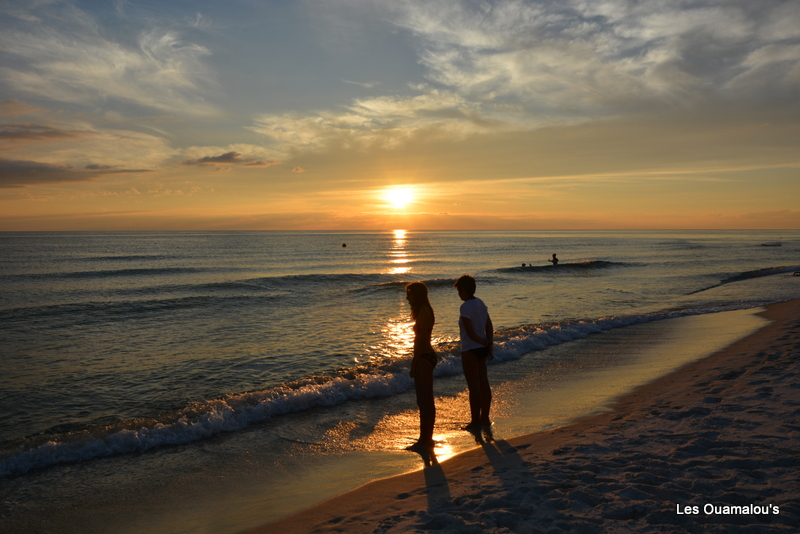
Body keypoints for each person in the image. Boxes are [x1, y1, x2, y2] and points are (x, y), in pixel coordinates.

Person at [454, 275, 494, 430]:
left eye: (459, 291)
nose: (459, 295)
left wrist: (484, 342)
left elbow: (469, 332)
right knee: (484, 383)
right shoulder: (481, 303)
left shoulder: (465, 307)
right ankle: (485, 418)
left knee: (474, 387)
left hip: (470, 349)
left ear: (464, 290)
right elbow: (489, 326)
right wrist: (488, 343)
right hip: (483, 349)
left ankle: (475, 421)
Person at [405, 282, 437, 450]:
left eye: (409, 294)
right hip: (426, 356)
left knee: (424, 400)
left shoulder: (423, 312)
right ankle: (425, 438)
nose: (407, 298)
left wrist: (414, 362)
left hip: (424, 357)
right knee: (425, 400)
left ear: (416, 295)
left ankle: (425, 439)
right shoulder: (424, 311)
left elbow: (421, 341)